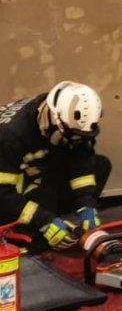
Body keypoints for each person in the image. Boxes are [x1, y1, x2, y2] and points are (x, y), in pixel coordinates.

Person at [0, 81, 111, 250]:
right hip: (5, 186)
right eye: (71, 136)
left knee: (101, 166)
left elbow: (81, 161)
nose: (75, 141)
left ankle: (50, 220)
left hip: (32, 170)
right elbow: (3, 193)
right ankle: (24, 229)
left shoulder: (67, 120)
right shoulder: (10, 136)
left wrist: (86, 205)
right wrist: (44, 221)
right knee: (37, 235)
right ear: (54, 120)